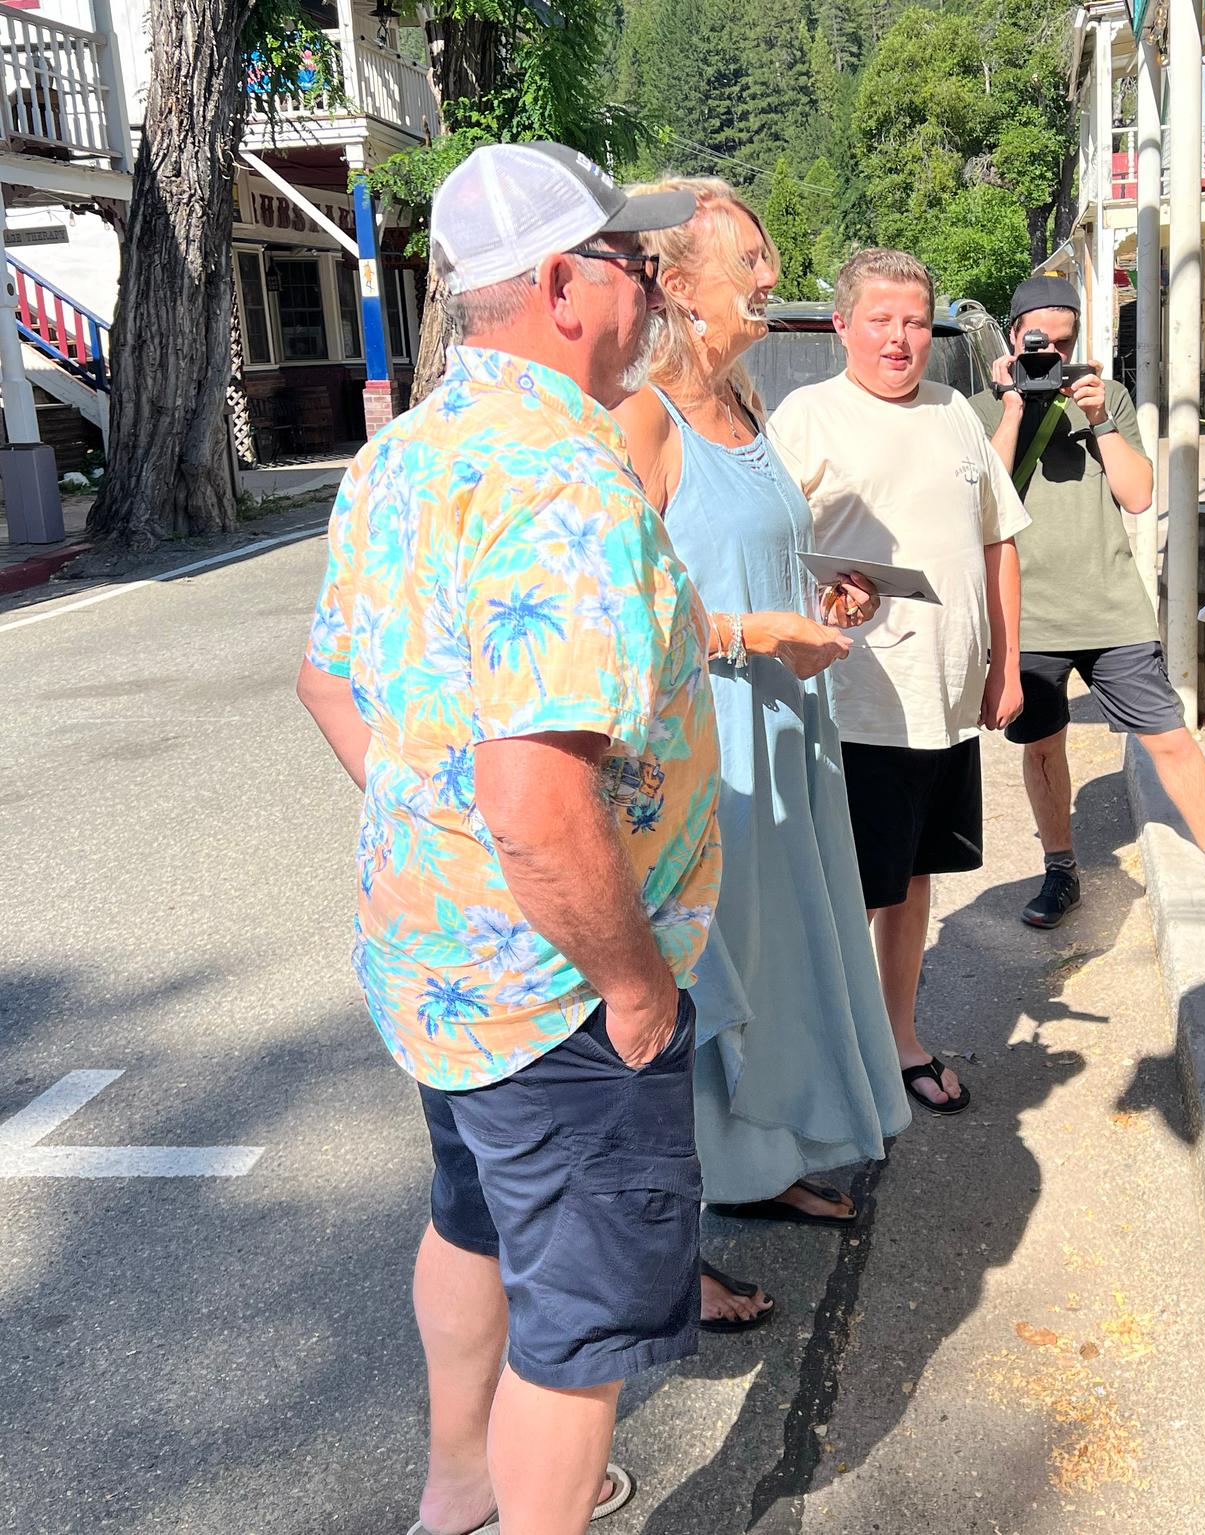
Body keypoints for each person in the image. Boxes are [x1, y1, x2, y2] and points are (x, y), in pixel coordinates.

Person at [295, 143, 720, 1535]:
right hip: (558, 989)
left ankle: (460, 1487)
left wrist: (434, 830)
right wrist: (637, 982)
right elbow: (539, 801)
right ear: (560, 284)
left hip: (441, 969)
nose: (652, 290)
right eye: (634, 263)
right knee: (578, 1325)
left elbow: (329, 679)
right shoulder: (569, 483)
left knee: (475, 1217)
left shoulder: (403, 456)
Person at [614, 179, 910, 1327]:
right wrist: (754, 631)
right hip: (708, 753)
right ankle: (666, 1248)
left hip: (785, 730)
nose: (772, 275)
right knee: (700, 983)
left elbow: (750, 555)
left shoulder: (740, 398)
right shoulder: (643, 422)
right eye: (749, 258)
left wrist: (815, 593)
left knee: (777, 959)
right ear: (676, 285)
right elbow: (615, 618)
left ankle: (753, 1162)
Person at [768, 249, 1028, 1115]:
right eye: (880, 319)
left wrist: (1005, 666)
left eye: (915, 321)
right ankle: (832, 1062)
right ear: (840, 324)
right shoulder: (807, 418)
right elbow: (765, 553)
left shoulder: (956, 411)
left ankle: (898, 1036)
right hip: (854, 703)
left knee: (915, 879)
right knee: (847, 888)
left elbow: (999, 543)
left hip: (945, 700)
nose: (900, 338)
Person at [967, 273, 1205, 933]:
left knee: (1169, 738)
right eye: (1037, 342)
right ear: (1012, 336)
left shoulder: (1110, 398)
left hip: (1110, 606)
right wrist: (1015, 405)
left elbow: (1137, 495)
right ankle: (1061, 868)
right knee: (1043, 746)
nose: (1050, 355)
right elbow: (979, 503)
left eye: (1065, 343)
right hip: (1030, 614)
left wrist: (1100, 417)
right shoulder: (983, 407)